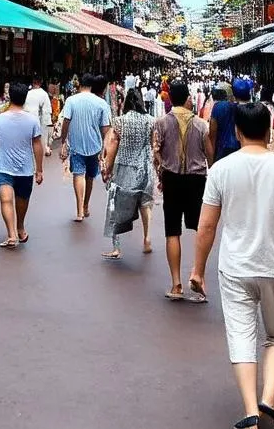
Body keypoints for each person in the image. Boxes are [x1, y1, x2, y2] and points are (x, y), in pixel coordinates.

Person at [189, 102, 274, 429]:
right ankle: (269, 396)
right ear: (268, 132)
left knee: (242, 336)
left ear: (238, 132)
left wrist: (198, 269)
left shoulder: (220, 171)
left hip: (235, 268)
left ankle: (249, 411)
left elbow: (206, 227)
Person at [153, 80, 212, 298]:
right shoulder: (201, 124)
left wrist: (162, 170)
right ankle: (198, 275)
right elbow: (209, 154)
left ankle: (176, 285)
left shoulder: (161, 123)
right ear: (187, 97)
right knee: (200, 228)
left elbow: (156, 151)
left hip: (172, 179)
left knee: (172, 231)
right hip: (196, 180)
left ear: (169, 99)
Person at [0, 81, 44, 248]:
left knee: (9, 200)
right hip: (22, 168)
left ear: (10, 97)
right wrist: (39, 170)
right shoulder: (32, 120)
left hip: (3, 165)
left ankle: (17, 229)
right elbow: (37, 145)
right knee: (17, 200)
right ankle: (14, 233)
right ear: (25, 98)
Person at [101, 87, 155, 260]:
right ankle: (147, 238)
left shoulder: (120, 121)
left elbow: (113, 146)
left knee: (115, 204)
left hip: (124, 167)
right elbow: (154, 145)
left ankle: (116, 247)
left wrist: (107, 169)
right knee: (145, 203)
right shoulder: (151, 120)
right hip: (145, 167)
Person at [58, 74, 112, 222]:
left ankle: (79, 210)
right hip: (95, 146)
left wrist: (64, 141)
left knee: (78, 174)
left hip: (76, 144)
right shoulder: (101, 103)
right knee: (90, 177)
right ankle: (86, 205)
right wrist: (104, 148)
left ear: (79, 85)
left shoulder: (71, 100)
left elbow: (66, 122)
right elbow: (106, 129)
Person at [209, 83, 240, 163]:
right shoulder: (238, 107)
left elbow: (213, 134)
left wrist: (211, 159)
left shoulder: (217, 107)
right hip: (237, 147)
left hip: (222, 149)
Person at [25, 75, 54, 156]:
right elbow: (46, 111)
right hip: (39, 120)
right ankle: (45, 149)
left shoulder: (28, 93)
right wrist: (48, 122)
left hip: (27, 119)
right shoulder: (44, 94)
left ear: (33, 82)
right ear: (41, 83)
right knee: (41, 138)